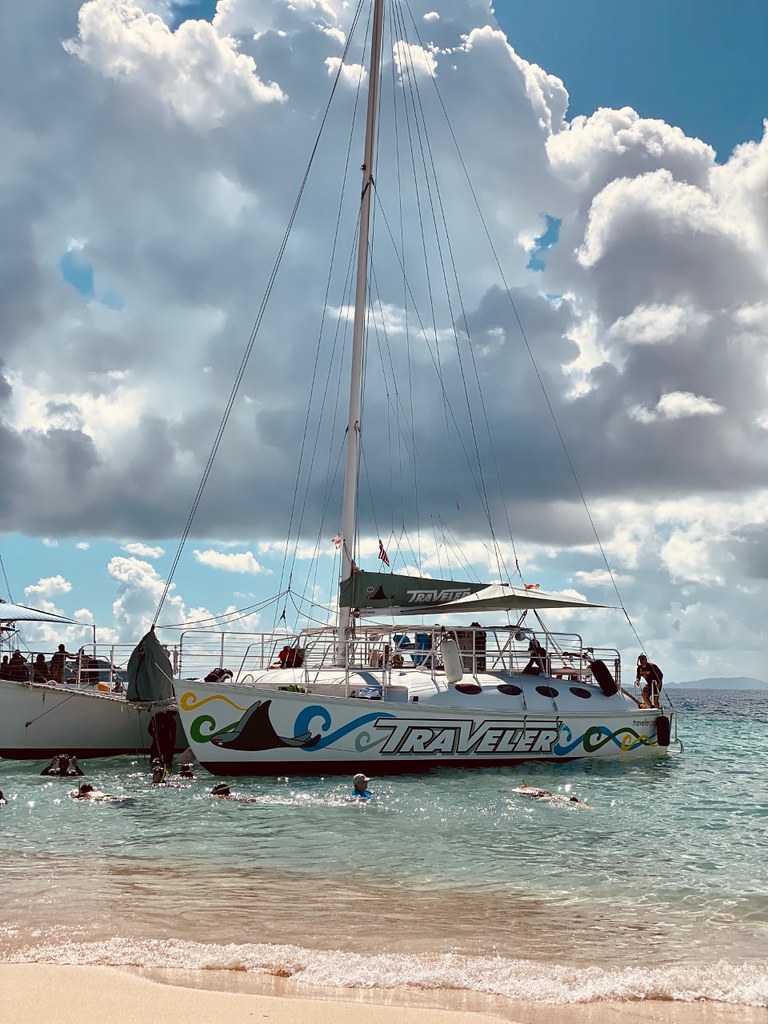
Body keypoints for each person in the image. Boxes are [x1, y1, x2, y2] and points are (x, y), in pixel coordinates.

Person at [511, 785, 592, 808]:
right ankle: (574, 801)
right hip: (544, 793)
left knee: (554, 799)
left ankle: (573, 802)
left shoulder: (520, 791)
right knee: (556, 797)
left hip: (539, 795)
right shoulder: (530, 787)